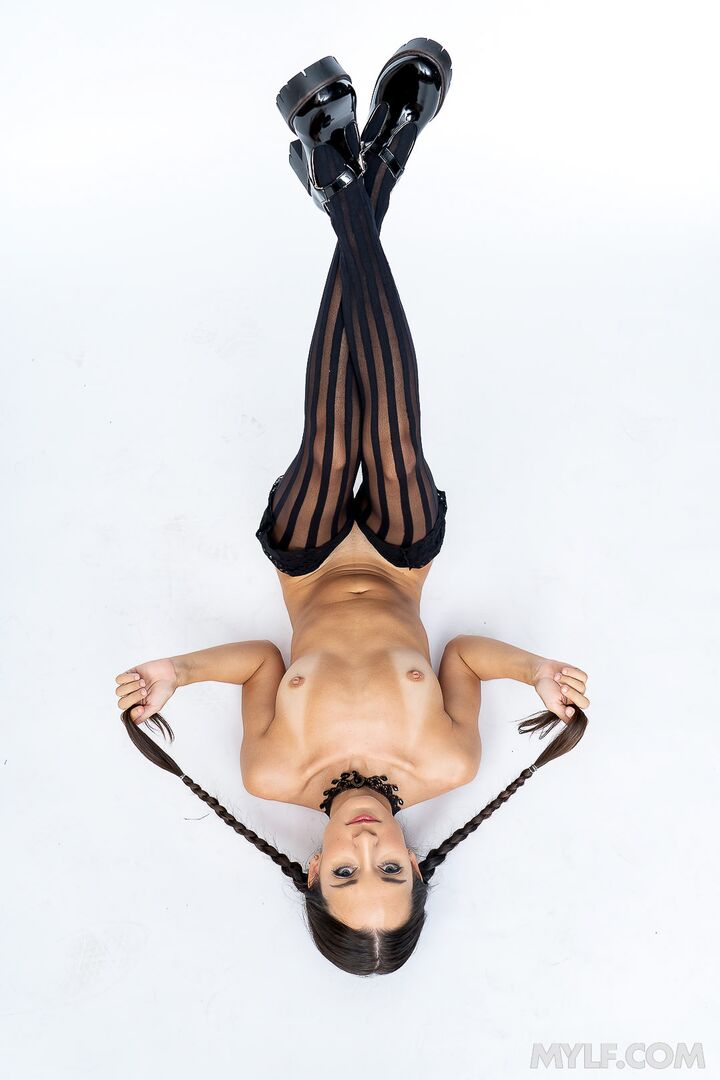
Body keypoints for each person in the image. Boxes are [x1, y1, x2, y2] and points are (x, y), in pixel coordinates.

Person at [115, 39, 590, 976]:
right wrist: (535, 669)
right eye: (391, 870)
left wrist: (179, 672)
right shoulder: (449, 762)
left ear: (310, 871)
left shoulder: (271, 771)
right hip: (402, 559)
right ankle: (351, 177)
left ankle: (369, 168)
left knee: (334, 436)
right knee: (398, 435)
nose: (366, 847)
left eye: (344, 874)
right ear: (419, 864)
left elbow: (263, 659)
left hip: (309, 560)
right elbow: (461, 654)